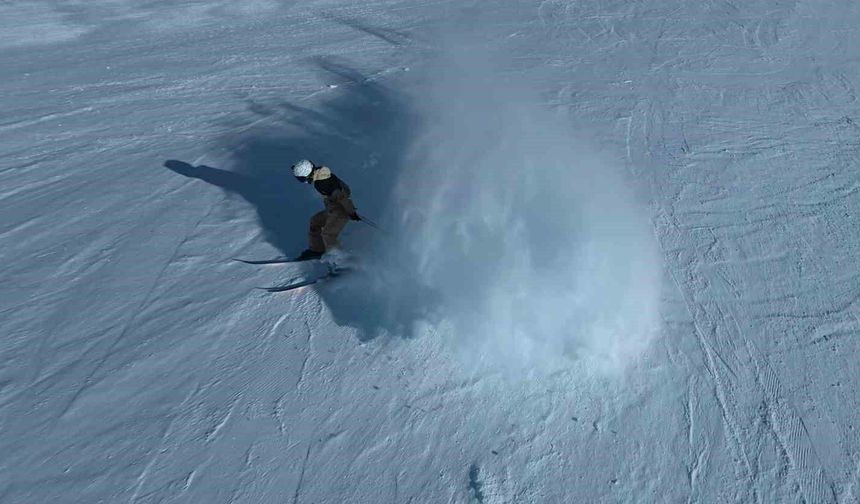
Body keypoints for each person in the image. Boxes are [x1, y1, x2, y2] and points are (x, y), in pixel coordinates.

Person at [292, 159, 361, 261]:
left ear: (307, 174)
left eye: (301, 179)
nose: (303, 181)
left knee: (328, 234)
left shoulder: (322, 182)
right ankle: (317, 249)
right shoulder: (320, 174)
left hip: (341, 211)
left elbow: (341, 197)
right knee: (315, 221)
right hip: (333, 209)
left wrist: (351, 212)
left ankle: (339, 261)